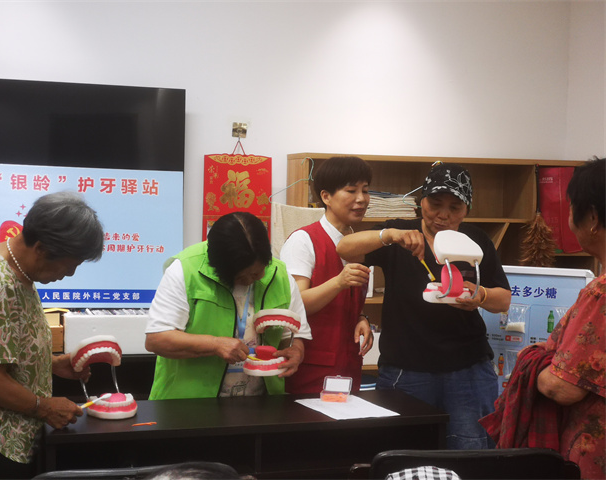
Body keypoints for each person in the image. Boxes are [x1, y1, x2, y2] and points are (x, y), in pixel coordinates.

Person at [337, 162, 511, 450]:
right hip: (406, 369)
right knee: (404, 452)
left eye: (455, 207)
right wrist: (388, 235)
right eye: (435, 204)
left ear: (467, 209)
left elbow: (503, 299)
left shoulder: (475, 241)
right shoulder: (400, 234)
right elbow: (344, 248)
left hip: (468, 369)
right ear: (421, 202)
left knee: (471, 450)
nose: (443, 215)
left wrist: (479, 296)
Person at [480, 157, 605, 479]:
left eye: (571, 207)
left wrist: (530, 360)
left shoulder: (600, 294)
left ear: (592, 217)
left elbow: (562, 387)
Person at [0, 191, 104, 479]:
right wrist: (44, 407)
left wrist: (50, 363)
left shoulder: (19, 271)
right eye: (70, 264)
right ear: (41, 248)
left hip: (14, 436)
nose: (70, 274)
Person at [145, 212, 311, 399]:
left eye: (260, 270)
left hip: (260, 402)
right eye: (245, 276)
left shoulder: (279, 275)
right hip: (190, 403)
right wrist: (214, 345)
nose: (258, 278)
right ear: (220, 269)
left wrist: (296, 351)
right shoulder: (186, 270)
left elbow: (293, 336)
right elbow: (157, 339)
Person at [280, 156, 373, 394]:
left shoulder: (358, 243)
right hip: (310, 369)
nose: (361, 199)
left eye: (365, 190)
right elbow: (295, 306)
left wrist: (361, 317)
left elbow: (347, 302)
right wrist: (338, 282)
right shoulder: (303, 240)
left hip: (348, 368)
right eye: (351, 191)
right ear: (326, 197)